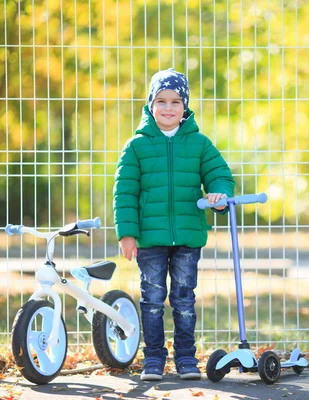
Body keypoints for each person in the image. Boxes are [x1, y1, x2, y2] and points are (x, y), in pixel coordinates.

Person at [113, 68, 235, 381]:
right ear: (150, 105)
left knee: (183, 300)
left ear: (185, 107)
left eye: (175, 102)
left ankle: (186, 359)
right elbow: (124, 192)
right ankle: (153, 358)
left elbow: (219, 174)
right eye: (161, 101)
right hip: (150, 239)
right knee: (152, 300)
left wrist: (220, 194)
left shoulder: (199, 143)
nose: (168, 108)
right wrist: (127, 234)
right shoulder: (136, 146)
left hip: (187, 237)